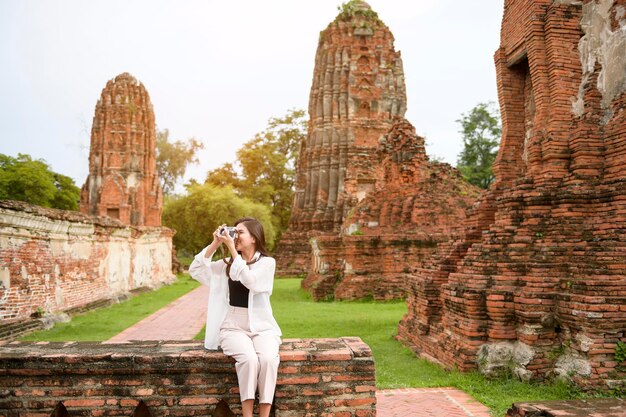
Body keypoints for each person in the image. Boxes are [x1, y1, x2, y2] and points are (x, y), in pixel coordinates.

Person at [189, 217, 282, 417]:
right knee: (248, 360)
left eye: (240, 232)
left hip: (263, 326)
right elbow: (196, 269)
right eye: (234, 231)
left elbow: (251, 282)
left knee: (267, 360)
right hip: (233, 325)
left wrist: (232, 249)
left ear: (254, 238)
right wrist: (216, 242)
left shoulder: (267, 263)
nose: (235, 236)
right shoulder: (225, 265)